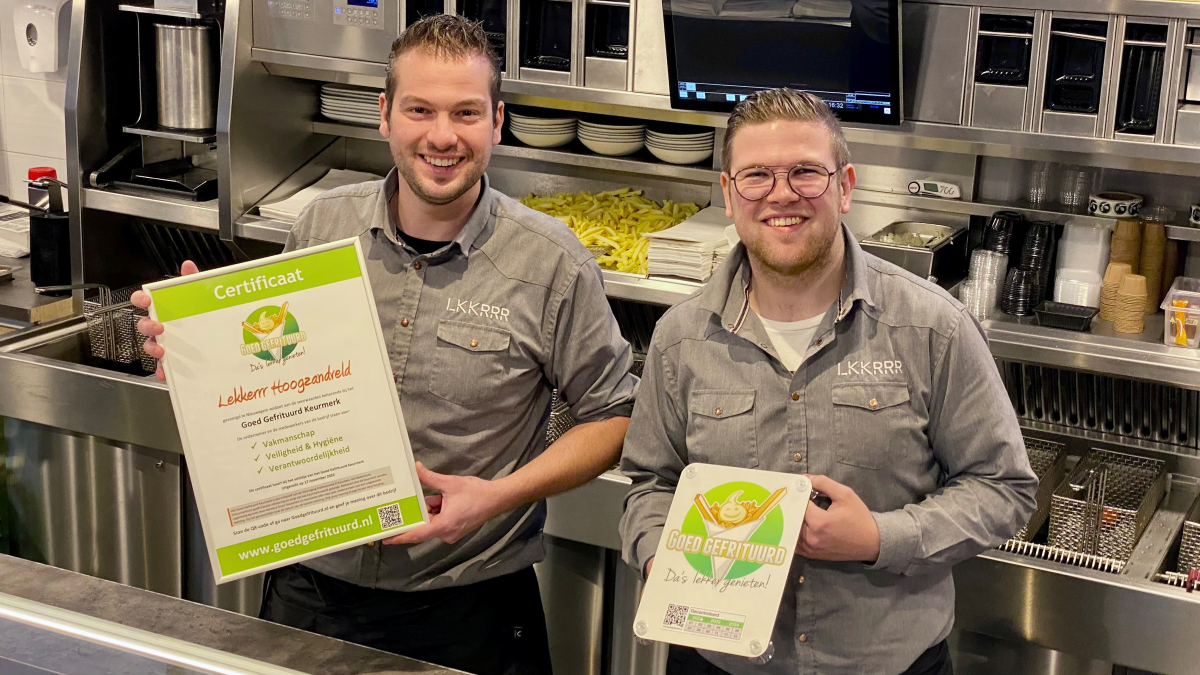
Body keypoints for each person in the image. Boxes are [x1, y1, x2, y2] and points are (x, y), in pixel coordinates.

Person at [133, 16, 638, 675]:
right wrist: (199, 353)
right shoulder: (322, 225)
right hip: (311, 591)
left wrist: (499, 494)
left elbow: (615, 416)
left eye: (465, 112)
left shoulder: (550, 262)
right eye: (419, 109)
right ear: (384, 115)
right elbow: (272, 372)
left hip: (473, 607)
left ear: (497, 120)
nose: (442, 135)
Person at [618, 88, 1038, 675]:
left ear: (844, 186)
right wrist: (664, 554)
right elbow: (650, 484)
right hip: (719, 662)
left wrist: (878, 537)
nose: (781, 194)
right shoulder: (682, 338)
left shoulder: (932, 326)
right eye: (756, 175)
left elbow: (1003, 488)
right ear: (728, 192)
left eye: (805, 173)